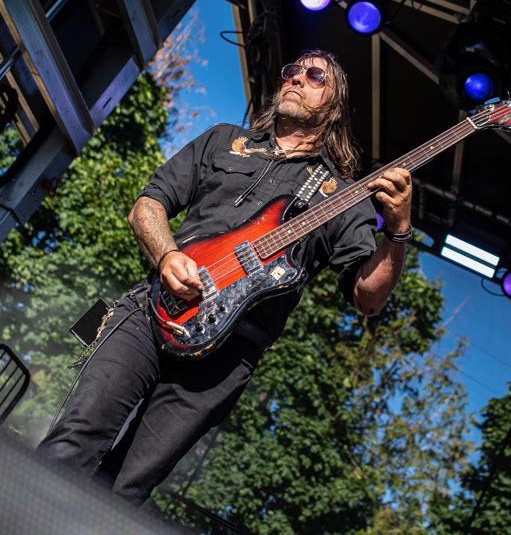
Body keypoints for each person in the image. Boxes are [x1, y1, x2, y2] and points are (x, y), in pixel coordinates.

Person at [37, 49, 413, 505]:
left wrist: (397, 231)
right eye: (292, 70)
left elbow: (368, 298)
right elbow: (147, 206)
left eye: (316, 76)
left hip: (227, 355)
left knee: (125, 489)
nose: (296, 78)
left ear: (334, 108)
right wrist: (167, 255)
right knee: (74, 440)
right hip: (152, 310)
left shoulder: (342, 197)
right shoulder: (224, 140)